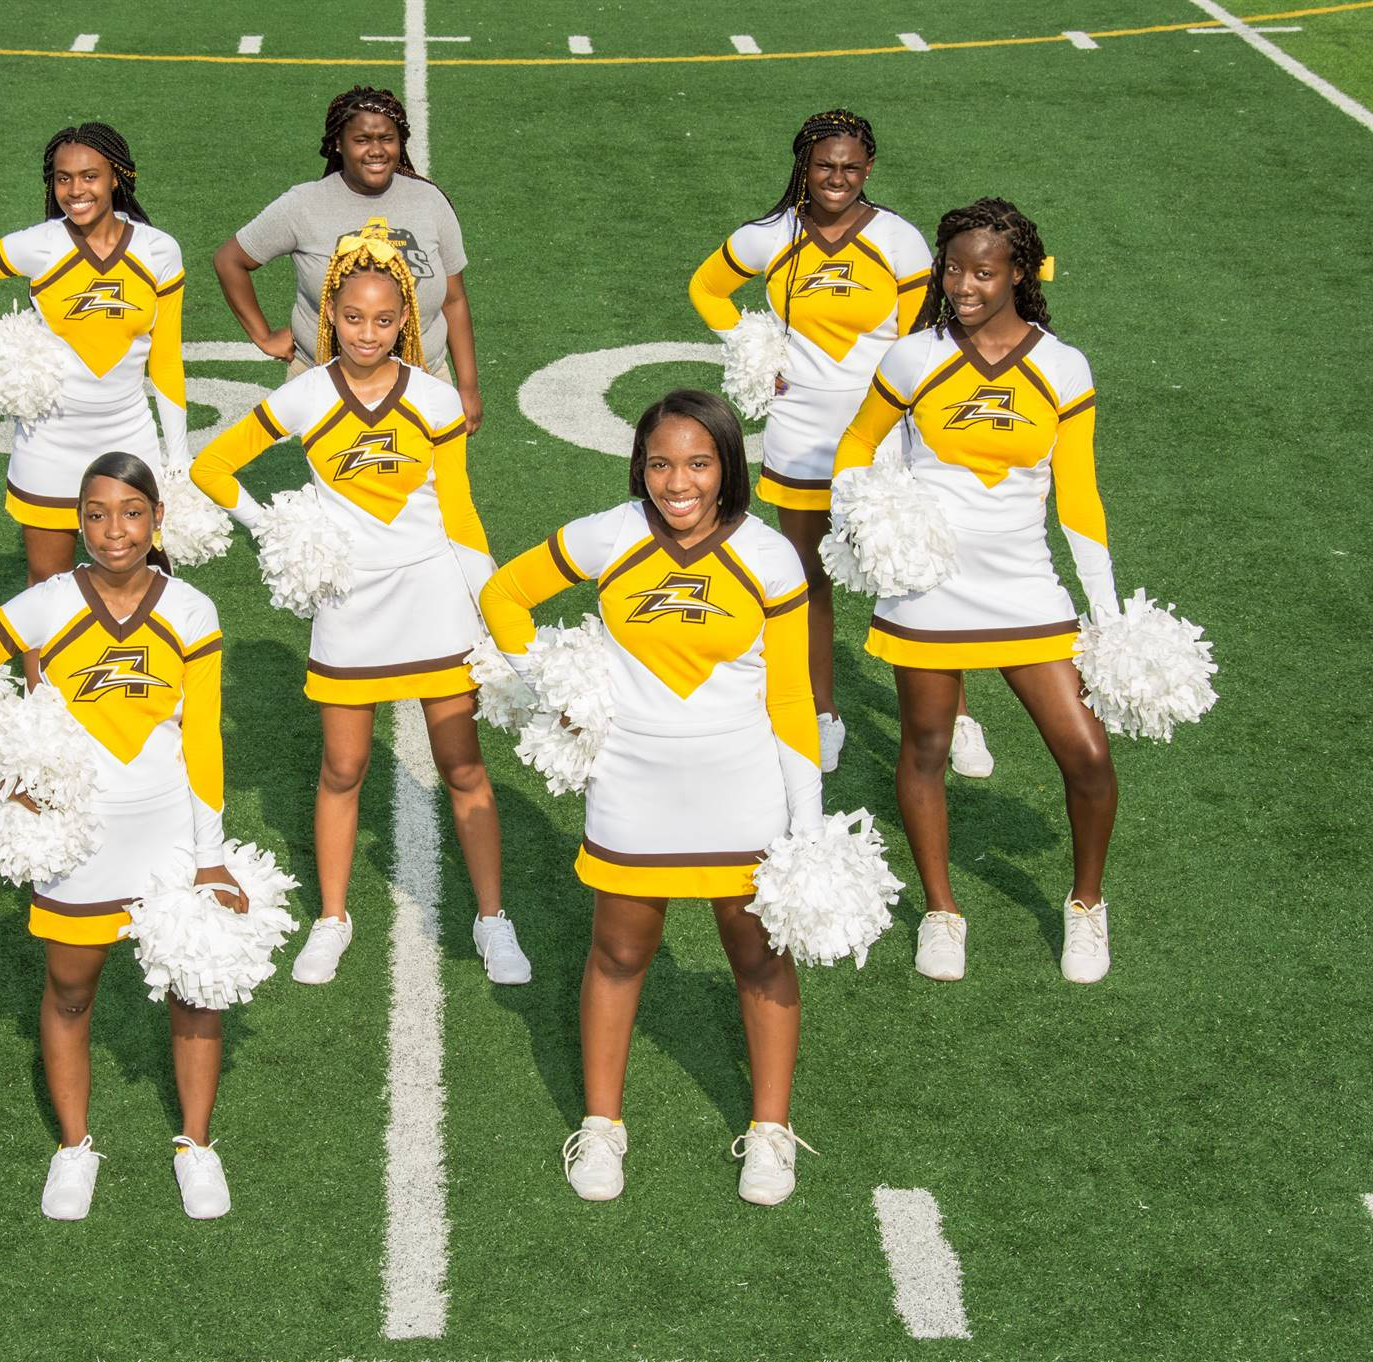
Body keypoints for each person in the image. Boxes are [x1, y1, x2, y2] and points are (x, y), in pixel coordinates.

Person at [480, 389, 820, 1206]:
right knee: (619, 953)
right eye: (661, 463)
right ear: (641, 466)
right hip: (631, 787)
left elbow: (792, 701)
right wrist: (556, 687)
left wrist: (805, 827)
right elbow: (502, 595)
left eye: (698, 463)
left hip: (742, 793)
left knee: (758, 956)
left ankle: (771, 1132)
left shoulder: (771, 557)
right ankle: (602, 1127)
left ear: (726, 467)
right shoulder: (613, 533)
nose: (678, 482)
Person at [191, 225, 527, 987]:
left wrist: (494, 614)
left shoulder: (436, 400)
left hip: (434, 595)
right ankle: (332, 918)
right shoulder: (304, 395)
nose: (367, 332)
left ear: (404, 318)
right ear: (328, 317)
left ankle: (492, 917)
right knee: (342, 767)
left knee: (463, 766)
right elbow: (210, 465)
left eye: (383, 319)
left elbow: (462, 514)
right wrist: (274, 526)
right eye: (352, 318)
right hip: (349, 603)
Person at [0, 452, 245, 1221]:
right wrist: (4, 769)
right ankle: (73, 1147)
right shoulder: (46, 605)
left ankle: (196, 1146)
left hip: (169, 831)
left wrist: (211, 856)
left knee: (196, 993)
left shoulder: (192, 611)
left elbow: (204, 741)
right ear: (78, 521)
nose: (113, 530)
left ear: (157, 519)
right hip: (78, 839)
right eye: (96, 514)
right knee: (70, 991)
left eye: (131, 512)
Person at [831, 198, 1118, 985]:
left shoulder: (1063, 367)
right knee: (923, 748)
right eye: (953, 268)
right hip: (930, 584)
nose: (962, 284)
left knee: (1086, 753)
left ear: (1018, 273)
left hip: (1026, 585)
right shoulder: (912, 358)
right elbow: (857, 446)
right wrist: (865, 522)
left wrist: (1106, 608)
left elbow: (1080, 498)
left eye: (983, 272)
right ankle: (941, 909)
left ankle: (1087, 905)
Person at [687, 109, 994, 778]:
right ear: (804, 165)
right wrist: (750, 344)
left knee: (912, 569)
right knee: (809, 577)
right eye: (825, 165)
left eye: (851, 167)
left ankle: (959, 713)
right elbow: (706, 287)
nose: (837, 178)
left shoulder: (900, 240)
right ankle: (824, 713)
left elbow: (924, 332)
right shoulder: (770, 235)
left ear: (869, 168)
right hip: (800, 430)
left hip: (883, 429)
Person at [0, 120, 189, 675]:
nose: (77, 191)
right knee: (47, 588)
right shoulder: (39, 244)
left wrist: (178, 454)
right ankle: (43, 722)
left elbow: (165, 359)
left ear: (117, 177)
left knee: (155, 578)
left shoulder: (159, 250)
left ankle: (148, 698)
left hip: (128, 437)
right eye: (64, 179)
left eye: (90, 176)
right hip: (48, 441)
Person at [213, 85, 484, 433]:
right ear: (338, 144)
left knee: (431, 486)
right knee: (337, 487)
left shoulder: (429, 200)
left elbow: (454, 299)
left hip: (425, 380)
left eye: (387, 138)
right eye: (362, 139)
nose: (376, 150)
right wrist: (263, 335)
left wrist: (468, 386)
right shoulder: (304, 204)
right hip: (329, 385)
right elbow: (229, 260)